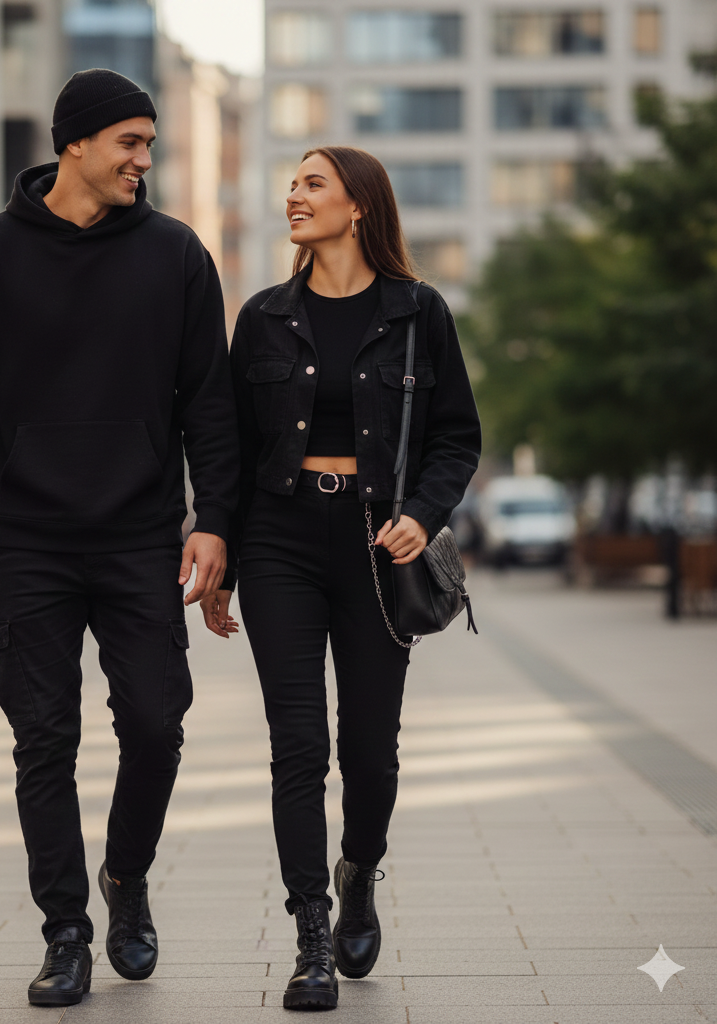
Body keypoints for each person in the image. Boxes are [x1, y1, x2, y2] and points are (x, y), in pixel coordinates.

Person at [0, 69, 238, 1007]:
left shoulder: (176, 255)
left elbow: (210, 407)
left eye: (150, 144)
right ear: (76, 144)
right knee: (42, 739)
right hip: (28, 540)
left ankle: (125, 876)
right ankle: (65, 932)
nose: (144, 160)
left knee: (156, 725)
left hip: (141, 535)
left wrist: (216, 520)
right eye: (130, 142)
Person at [200, 146, 480, 1010]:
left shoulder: (418, 312)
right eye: (292, 185)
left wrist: (423, 512)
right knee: (297, 745)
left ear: (358, 205)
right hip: (279, 538)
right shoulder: (263, 316)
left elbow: (456, 435)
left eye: (312, 184)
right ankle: (312, 935)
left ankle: (359, 869)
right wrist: (222, 552)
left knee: (368, 748)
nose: (294, 196)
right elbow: (233, 449)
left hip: (376, 543)